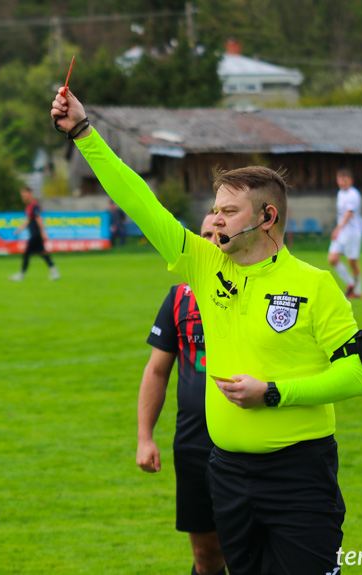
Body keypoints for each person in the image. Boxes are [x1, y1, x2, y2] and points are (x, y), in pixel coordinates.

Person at [52, 89, 362, 575]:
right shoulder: (203, 266)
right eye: (215, 208)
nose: (214, 219)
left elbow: (355, 378)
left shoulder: (316, 285)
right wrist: (83, 133)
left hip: (299, 475)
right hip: (226, 474)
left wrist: (273, 393)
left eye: (228, 211)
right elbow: (138, 198)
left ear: (267, 218)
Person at [137, 210, 225, 575]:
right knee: (206, 556)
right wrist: (145, 437)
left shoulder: (262, 295)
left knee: (250, 551)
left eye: (220, 235)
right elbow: (157, 370)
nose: (212, 243)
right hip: (193, 445)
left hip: (249, 446)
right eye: (204, 235)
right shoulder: (179, 298)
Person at [9, 186, 60, 281]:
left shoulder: (34, 206)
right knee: (43, 253)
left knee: (26, 254)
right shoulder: (29, 207)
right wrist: (19, 229)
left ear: (29, 194)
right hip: (35, 234)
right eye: (22, 196)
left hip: (36, 235)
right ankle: (54, 272)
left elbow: (38, 219)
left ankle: (21, 275)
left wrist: (43, 233)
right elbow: (28, 220)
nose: (23, 197)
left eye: (24, 195)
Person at [327, 169, 362, 299]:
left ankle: (359, 290)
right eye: (340, 178)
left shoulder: (353, 194)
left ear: (350, 180)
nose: (342, 181)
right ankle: (351, 283)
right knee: (332, 259)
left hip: (352, 233)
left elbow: (349, 213)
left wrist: (337, 229)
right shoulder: (340, 193)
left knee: (352, 262)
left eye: (345, 178)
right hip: (341, 232)